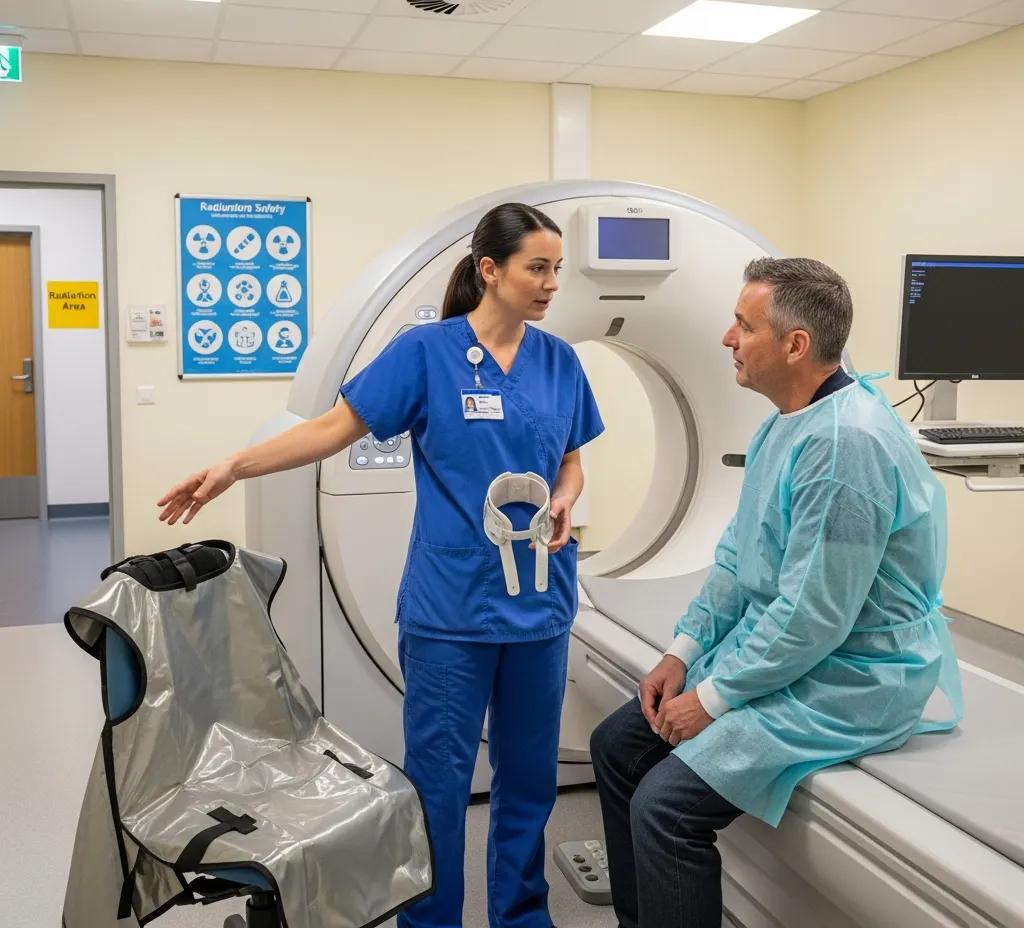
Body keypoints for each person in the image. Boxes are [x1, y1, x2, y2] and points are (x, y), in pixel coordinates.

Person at [157, 202, 605, 928]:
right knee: (438, 785)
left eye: (557, 269)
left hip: (541, 605)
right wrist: (233, 466)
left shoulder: (560, 361)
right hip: (451, 609)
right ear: (491, 271)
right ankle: (430, 921)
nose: (553, 283)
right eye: (537, 268)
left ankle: (522, 916)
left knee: (529, 782)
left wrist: (564, 496)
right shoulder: (425, 354)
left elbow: (574, 460)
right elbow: (333, 429)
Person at [589, 257, 962, 928]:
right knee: (616, 746)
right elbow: (737, 558)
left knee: (666, 809)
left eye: (743, 324)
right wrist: (683, 651)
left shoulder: (847, 445)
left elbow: (815, 615)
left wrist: (715, 697)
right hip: (799, 648)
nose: (728, 339)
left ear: (794, 345)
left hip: (853, 674)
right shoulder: (786, 423)